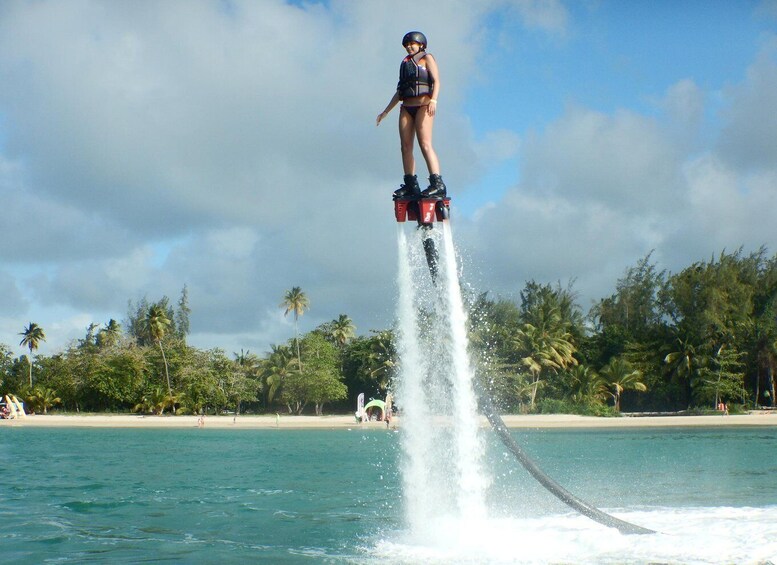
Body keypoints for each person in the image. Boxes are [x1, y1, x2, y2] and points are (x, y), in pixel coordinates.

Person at [376, 31, 447, 199]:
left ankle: (437, 183)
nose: (409, 47)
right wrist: (386, 111)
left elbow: (436, 81)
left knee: (425, 144)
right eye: (406, 45)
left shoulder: (427, 58)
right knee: (405, 147)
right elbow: (400, 91)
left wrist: (434, 100)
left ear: (421, 44)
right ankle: (410, 184)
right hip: (406, 107)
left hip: (424, 105)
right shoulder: (405, 64)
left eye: (412, 44)